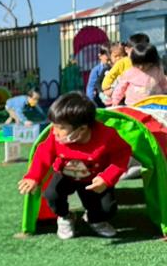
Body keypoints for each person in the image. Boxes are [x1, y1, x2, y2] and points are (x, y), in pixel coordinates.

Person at [17, 92, 132, 239]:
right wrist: (33, 176)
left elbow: (122, 154)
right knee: (52, 195)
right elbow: (43, 154)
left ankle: (95, 219)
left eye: (61, 127)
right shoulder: (55, 136)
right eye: (53, 125)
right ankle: (65, 216)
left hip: (95, 179)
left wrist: (107, 178)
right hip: (65, 175)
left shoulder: (107, 135)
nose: (55, 131)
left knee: (107, 208)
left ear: (82, 129)